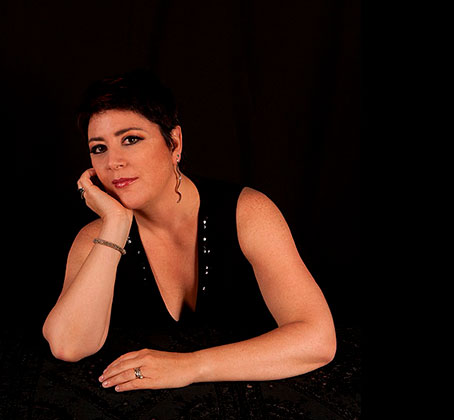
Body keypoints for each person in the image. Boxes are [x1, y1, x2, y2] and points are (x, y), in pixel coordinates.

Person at [42, 68, 336, 393]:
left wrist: (191, 366)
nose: (113, 162)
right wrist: (114, 226)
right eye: (99, 148)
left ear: (175, 143)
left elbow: (318, 340)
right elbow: (68, 345)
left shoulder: (248, 213)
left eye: (131, 139)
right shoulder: (97, 237)